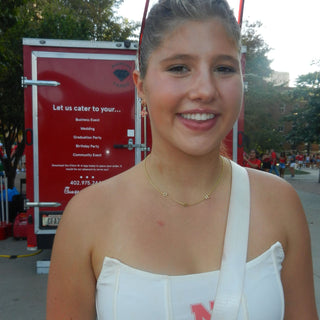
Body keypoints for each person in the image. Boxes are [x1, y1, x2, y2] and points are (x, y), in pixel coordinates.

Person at [46, 1, 318, 319]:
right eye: (179, 68)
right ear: (141, 86)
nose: (204, 90)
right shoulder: (88, 216)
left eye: (224, 68)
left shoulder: (278, 202)